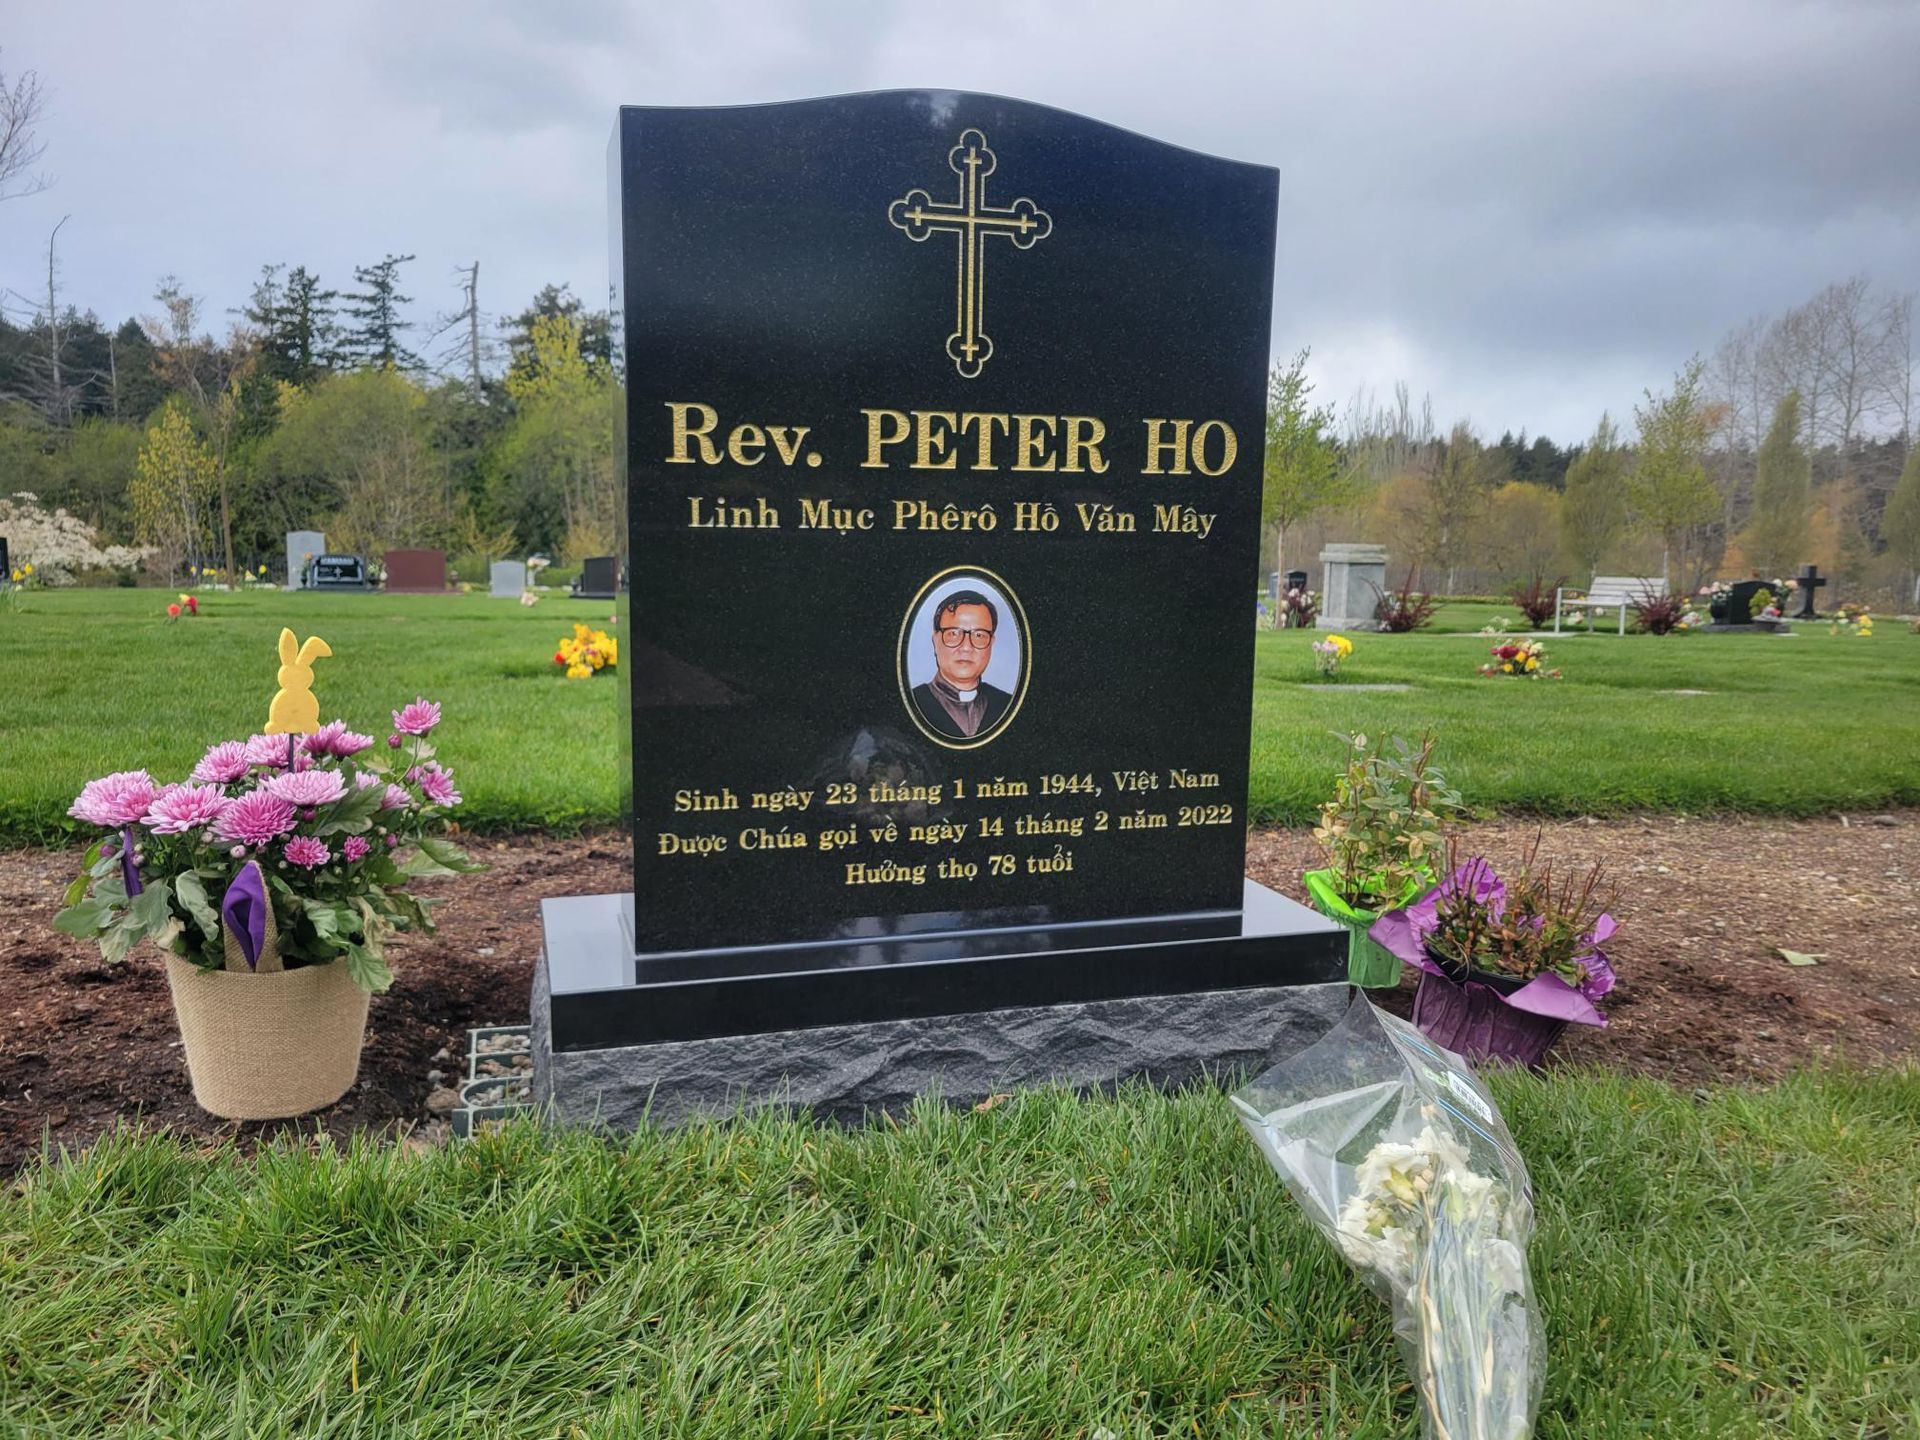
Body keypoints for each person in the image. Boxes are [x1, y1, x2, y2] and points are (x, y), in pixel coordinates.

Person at [909, 589, 1014, 740]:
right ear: (935, 640)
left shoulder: (1008, 705)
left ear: (991, 643)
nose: (966, 647)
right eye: (953, 633)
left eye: (979, 635)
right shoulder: (913, 703)